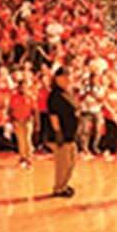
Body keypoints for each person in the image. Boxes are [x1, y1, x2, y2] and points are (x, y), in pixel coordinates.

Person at [45, 65, 80, 197]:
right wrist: (58, 132)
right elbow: (53, 115)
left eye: (68, 77)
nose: (67, 79)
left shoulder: (68, 93)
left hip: (71, 135)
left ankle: (64, 184)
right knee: (62, 164)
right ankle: (58, 188)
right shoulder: (54, 95)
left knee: (71, 162)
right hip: (63, 135)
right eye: (64, 77)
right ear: (57, 78)